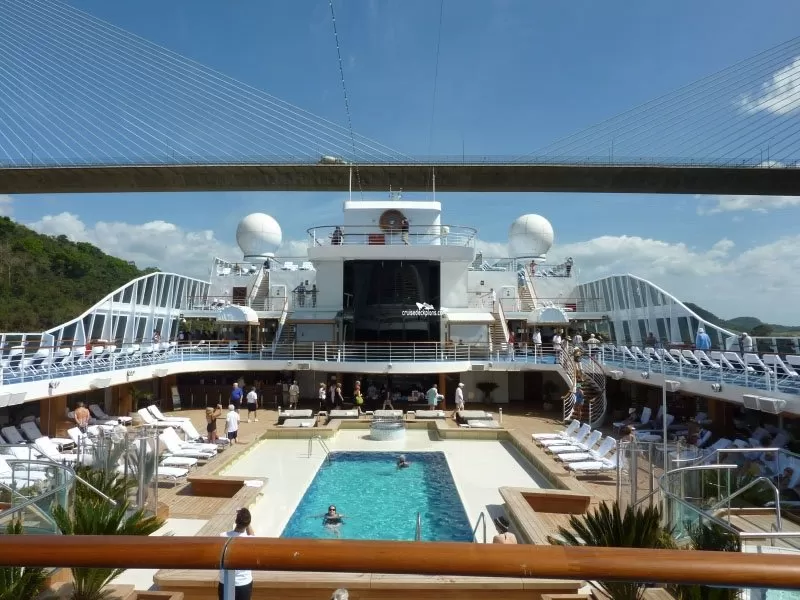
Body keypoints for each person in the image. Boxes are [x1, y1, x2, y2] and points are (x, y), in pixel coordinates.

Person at [218, 508, 254, 600]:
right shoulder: (251, 540)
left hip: (226, 581)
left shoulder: (222, 536)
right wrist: (248, 523)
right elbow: (252, 535)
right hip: (243, 583)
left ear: (236, 521)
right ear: (248, 523)